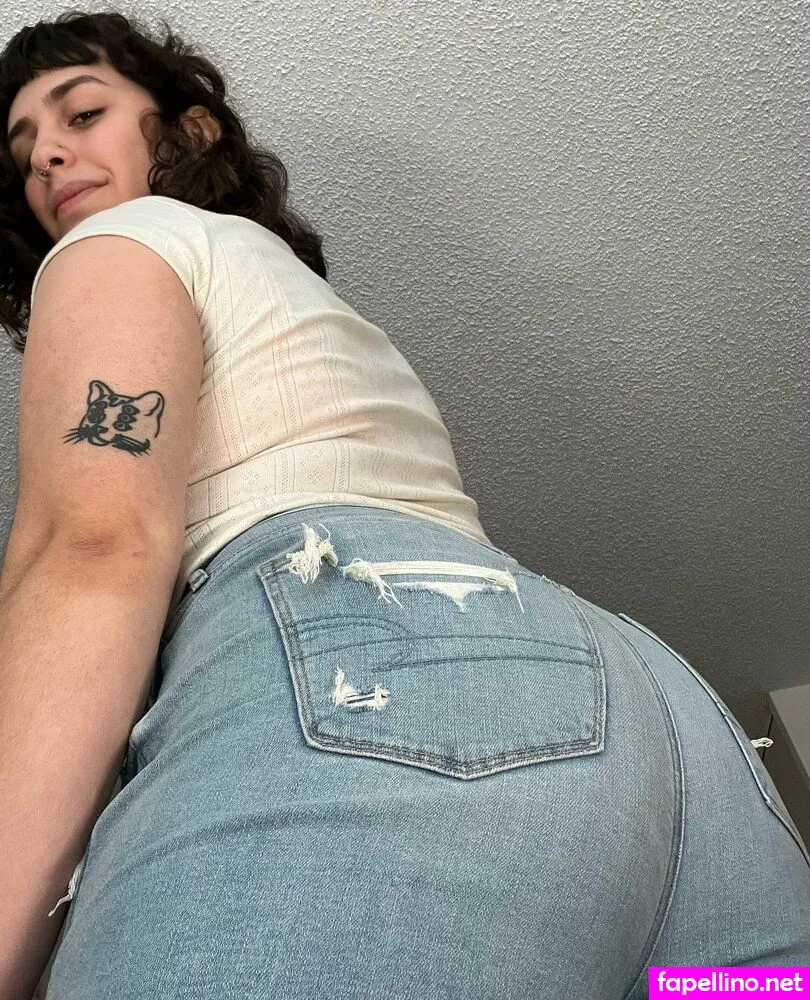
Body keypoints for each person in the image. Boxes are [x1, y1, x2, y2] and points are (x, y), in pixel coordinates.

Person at [0, 11, 807, 1000]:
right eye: (24, 150)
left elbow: (95, 546)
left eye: (82, 114)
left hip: (387, 671)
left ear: (190, 129)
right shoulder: (281, 292)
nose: (47, 154)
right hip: (676, 733)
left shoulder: (120, 238)